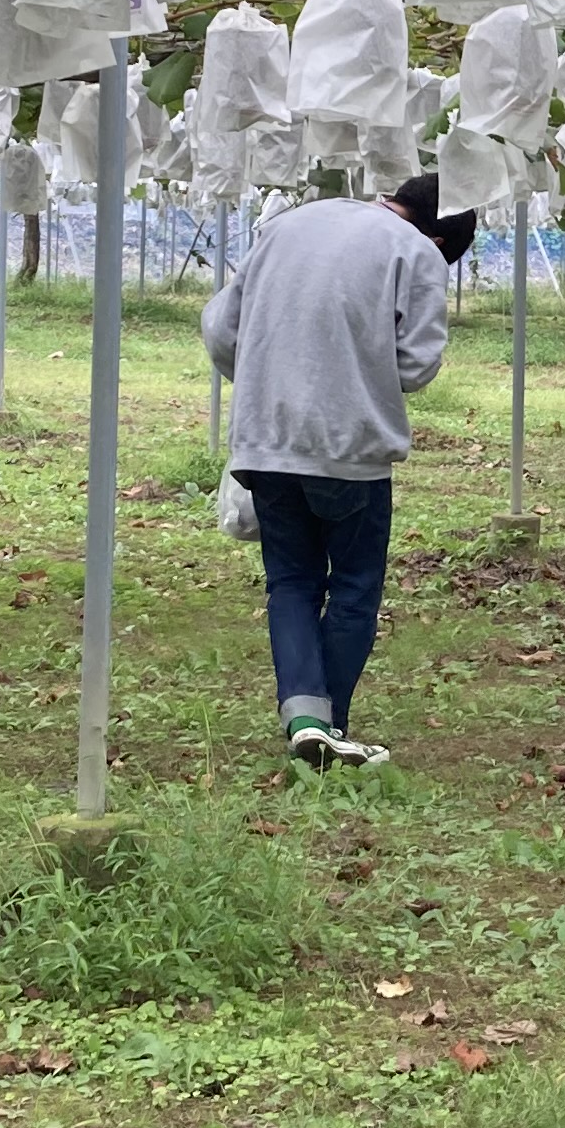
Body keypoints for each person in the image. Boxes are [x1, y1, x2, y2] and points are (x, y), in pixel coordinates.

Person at [201, 170, 479, 767]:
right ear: (441, 241)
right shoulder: (415, 253)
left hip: (266, 441)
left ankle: (307, 720)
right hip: (350, 449)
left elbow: (220, 329)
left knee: (291, 582)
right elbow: (417, 365)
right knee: (353, 587)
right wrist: (358, 368)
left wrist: (266, 380)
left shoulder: (288, 225)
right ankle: (331, 722)